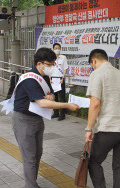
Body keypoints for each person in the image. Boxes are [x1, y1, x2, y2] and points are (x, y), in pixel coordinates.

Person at [11, 47, 80, 188]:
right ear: (39, 64)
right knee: (29, 157)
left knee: (37, 154)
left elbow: (49, 94)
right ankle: (31, 185)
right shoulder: (30, 79)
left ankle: (32, 182)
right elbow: (42, 103)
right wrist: (67, 105)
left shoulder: (43, 77)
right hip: (23, 120)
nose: (52, 67)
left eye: (53, 64)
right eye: (49, 65)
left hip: (37, 119)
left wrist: (51, 96)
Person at [85, 49, 120, 188]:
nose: (92, 68)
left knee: (94, 162)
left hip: (108, 127)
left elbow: (95, 103)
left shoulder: (97, 73)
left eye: (92, 65)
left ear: (94, 61)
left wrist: (88, 128)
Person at [50, 43, 68, 121]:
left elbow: (65, 68)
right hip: (53, 79)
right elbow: (49, 68)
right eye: (55, 48)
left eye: (58, 48)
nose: (57, 49)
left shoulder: (63, 58)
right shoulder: (51, 58)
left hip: (60, 79)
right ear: (53, 49)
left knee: (62, 97)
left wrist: (63, 78)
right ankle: (56, 113)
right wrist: (49, 79)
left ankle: (62, 114)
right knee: (54, 97)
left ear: (60, 49)